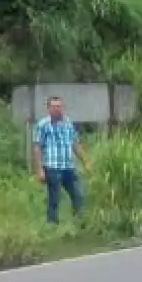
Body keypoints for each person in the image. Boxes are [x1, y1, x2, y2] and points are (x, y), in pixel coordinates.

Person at [32, 95, 90, 224]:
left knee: (78, 195)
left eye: (59, 106)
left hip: (68, 166)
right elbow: (37, 147)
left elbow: (75, 144)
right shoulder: (43, 125)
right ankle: (52, 225)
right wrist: (39, 170)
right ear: (48, 108)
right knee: (54, 199)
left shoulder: (68, 123)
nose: (57, 109)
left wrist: (85, 161)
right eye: (54, 106)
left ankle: (80, 222)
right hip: (52, 167)